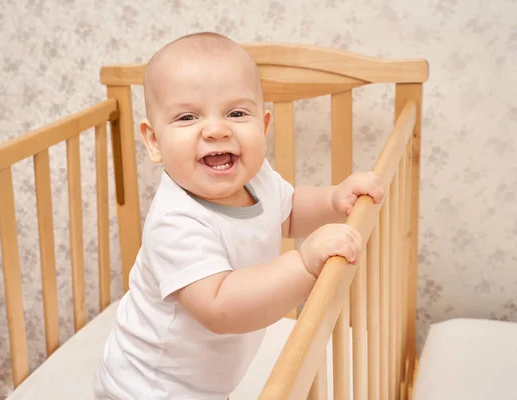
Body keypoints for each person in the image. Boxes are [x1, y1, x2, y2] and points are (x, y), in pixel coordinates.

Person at [94, 32, 384, 400]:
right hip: (148, 385)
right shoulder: (175, 221)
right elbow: (220, 306)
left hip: (203, 382)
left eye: (236, 113)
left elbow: (290, 211)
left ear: (262, 126)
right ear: (154, 141)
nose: (217, 129)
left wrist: (333, 198)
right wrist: (305, 265)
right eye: (187, 116)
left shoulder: (257, 177)